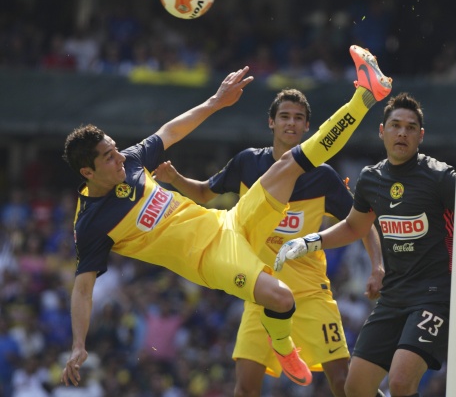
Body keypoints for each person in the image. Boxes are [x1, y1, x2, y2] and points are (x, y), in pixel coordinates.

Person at [59, 45, 392, 388]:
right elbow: (82, 290)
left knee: (293, 162)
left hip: (228, 221)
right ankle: (283, 346)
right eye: (108, 157)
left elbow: (170, 132)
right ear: (88, 172)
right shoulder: (91, 223)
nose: (119, 157)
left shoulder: (128, 163)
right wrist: (78, 345)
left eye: (115, 149)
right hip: (212, 258)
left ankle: (366, 95)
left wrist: (215, 101)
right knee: (281, 299)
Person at [154, 87, 385, 396]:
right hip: (261, 291)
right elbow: (204, 193)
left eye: (298, 118)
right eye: (284, 116)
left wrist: (377, 267)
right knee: (245, 389)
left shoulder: (324, 177)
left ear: (307, 126)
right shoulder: (248, 163)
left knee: (343, 382)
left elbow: (363, 223)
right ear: (271, 122)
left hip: (310, 294)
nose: (291, 123)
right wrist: (175, 179)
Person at [275, 92, 456, 397]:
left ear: (421, 136)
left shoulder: (440, 177)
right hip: (393, 297)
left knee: (400, 382)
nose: (402, 133)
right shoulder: (371, 179)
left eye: (410, 127)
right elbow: (355, 226)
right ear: (382, 131)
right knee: (355, 388)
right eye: (395, 125)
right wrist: (311, 241)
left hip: (435, 297)